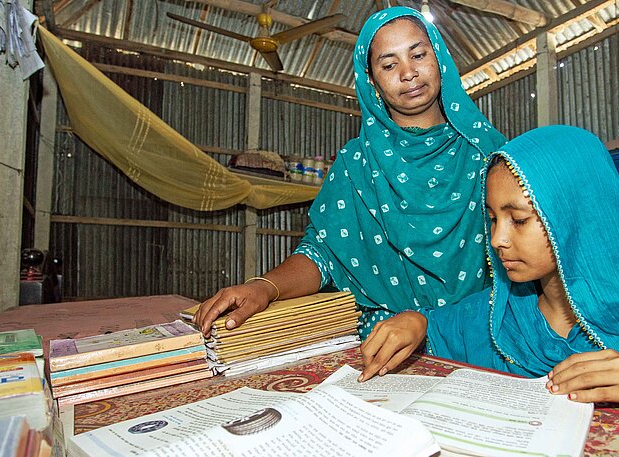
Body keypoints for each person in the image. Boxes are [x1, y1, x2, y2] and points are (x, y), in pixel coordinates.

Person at [360, 125, 619, 426]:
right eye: (493, 218)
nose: (498, 239)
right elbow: (439, 325)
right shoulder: (499, 313)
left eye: (519, 219)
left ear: (575, 215)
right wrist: (415, 320)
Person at [193, 7, 507, 342]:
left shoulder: (489, 156)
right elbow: (323, 253)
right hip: (381, 346)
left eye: (418, 55)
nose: (408, 73)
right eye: (389, 64)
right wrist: (264, 287)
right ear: (371, 79)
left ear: (439, 59)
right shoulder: (357, 163)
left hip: (478, 338)